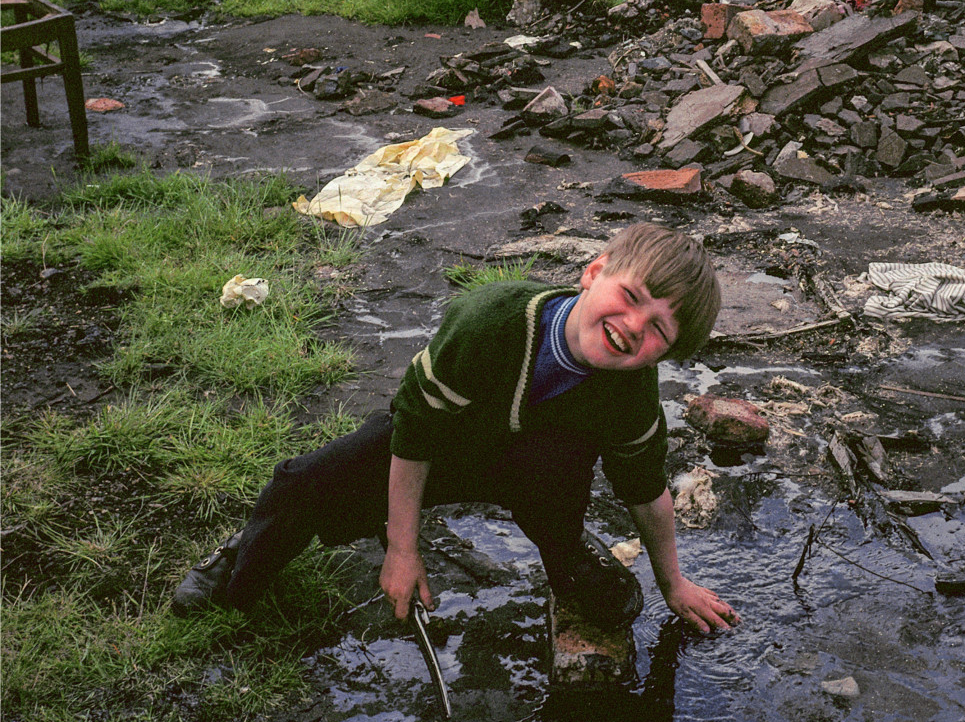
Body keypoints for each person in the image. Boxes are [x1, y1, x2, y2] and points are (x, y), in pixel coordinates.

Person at [172, 223, 738, 636]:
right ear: (593, 273)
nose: (631, 326)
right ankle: (237, 559)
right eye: (629, 297)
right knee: (305, 484)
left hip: (533, 473)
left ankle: (567, 554)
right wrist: (402, 546)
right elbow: (415, 435)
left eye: (657, 329)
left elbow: (647, 491)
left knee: (596, 568)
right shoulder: (490, 320)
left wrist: (674, 583)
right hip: (440, 444)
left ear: (667, 353)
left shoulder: (630, 393)